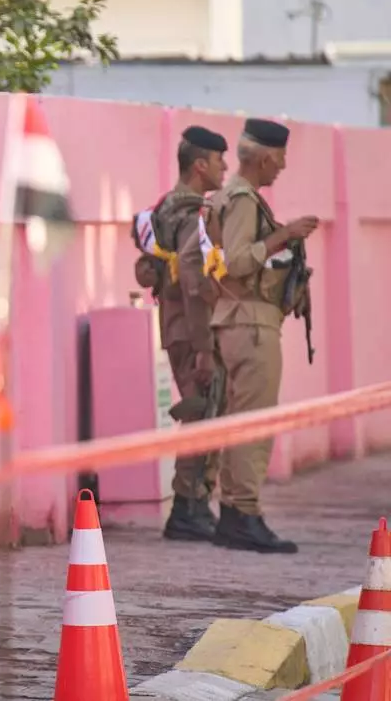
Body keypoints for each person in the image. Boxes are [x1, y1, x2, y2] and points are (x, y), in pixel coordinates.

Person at [200, 118, 318, 554]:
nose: (282, 167)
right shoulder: (243, 199)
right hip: (249, 323)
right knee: (255, 421)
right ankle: (243, 514)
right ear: (265, 158)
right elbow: (237, 262)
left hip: (241, 318)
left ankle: (235, 514)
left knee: (241, 419)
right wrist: (284, 235)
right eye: (280, 159)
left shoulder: (231, 196)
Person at [132, 125, 229, 543]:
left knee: (201, 410)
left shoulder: (166, 207)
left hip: (176, 326)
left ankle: (193, 505)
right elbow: (193, 282)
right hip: (192, 329)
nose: (225, 168)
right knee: (203, 411)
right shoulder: (193, 215)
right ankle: (188, 506)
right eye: (220, 160)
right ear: (200, 165)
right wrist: (205, 348)